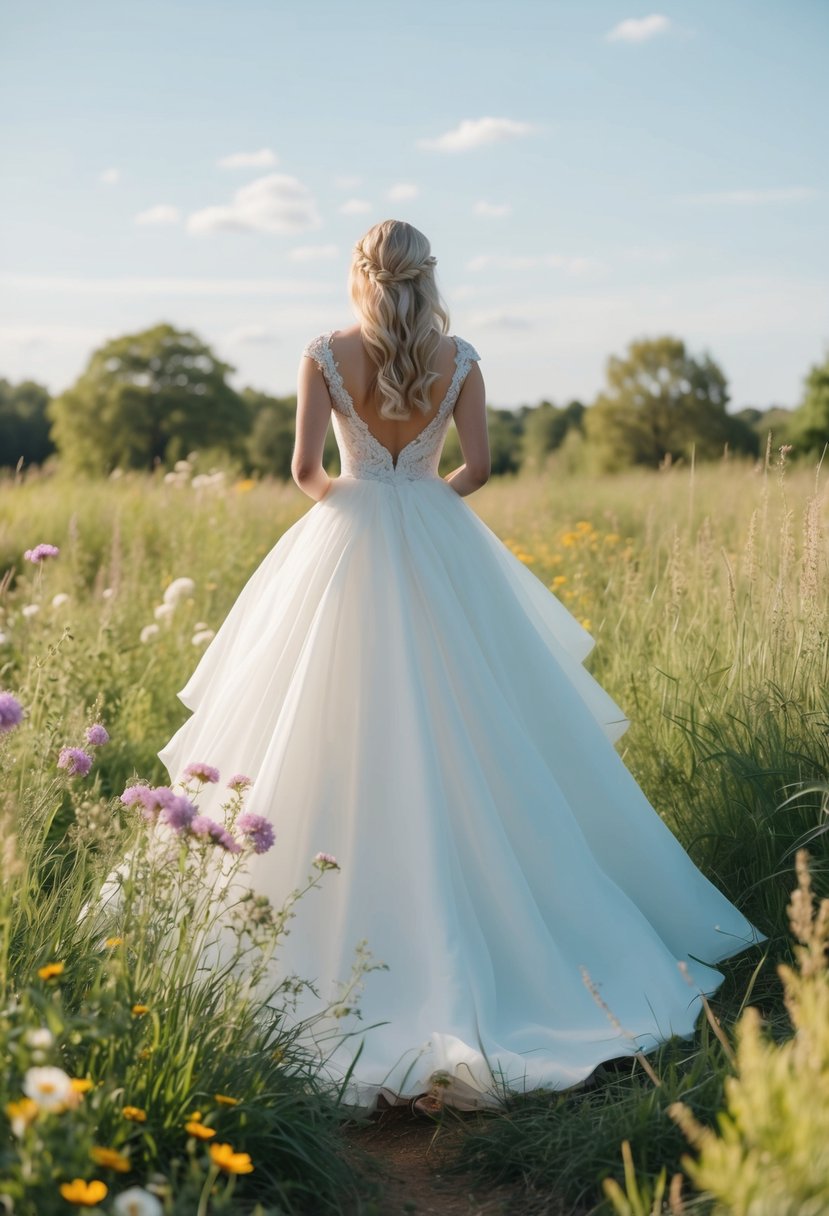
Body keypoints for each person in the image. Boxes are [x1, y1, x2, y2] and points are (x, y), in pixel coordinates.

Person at [157, 218, 767, 1118]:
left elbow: (302, 471)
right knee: (479, 727)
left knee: (324, 725)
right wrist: (419, 508)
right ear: (426, 275)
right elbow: (477, 468)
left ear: (358, 273)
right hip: (438, 542)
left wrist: (362, 510)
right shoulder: (461, 356)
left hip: (348, 539)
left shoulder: (324, 354)